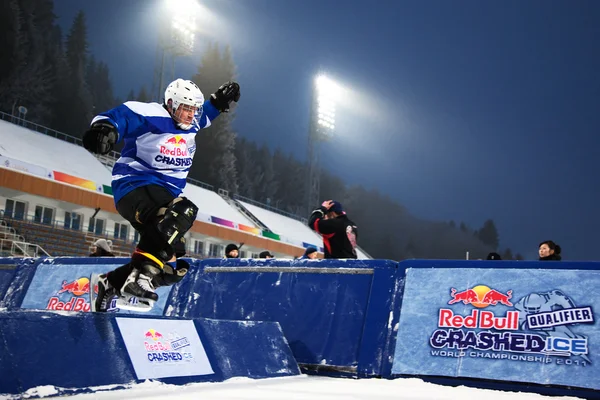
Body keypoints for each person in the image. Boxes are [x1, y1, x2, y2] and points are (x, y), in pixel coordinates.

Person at [83, 78, 240, 312]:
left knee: (172, 270)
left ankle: (111, 284)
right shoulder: (152, 114)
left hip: (163, 199)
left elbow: (205, 114)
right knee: (183, 210)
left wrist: (218, 102)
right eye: (185, 108)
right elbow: (119, 116)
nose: (190, 115)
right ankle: (139, 279)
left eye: (193, 110)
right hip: (134, 186)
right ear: (170, 104)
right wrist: (105, 130)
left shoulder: (193, 120)